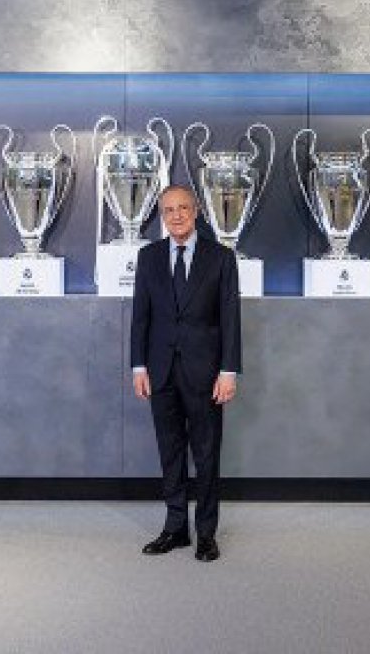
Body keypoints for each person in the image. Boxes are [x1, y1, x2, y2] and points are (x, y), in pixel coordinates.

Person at [130, 183, 241, 562]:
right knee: (170, 452)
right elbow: (140, 318)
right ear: (162, 216)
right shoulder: (148, 258)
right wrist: (138, 365)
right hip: (159, 372)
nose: (176, 215)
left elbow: (230, 319)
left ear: (196, 212)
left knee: (207, 454)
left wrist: (228, 370)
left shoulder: (221, 258)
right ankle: (176, 528)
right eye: (168, 210)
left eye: (183, 208)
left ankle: (206, 533)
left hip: (206, 373)